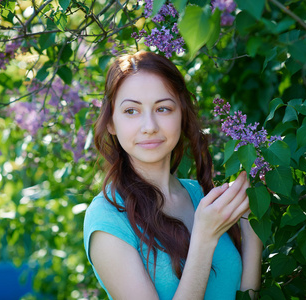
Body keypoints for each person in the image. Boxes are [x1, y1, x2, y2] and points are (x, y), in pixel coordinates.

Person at [83, 51, 262, 299]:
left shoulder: (202, 197)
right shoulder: (108, 218)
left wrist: (250, 222)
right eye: (131, 111)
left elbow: (246, 296)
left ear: (181, 115)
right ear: (111, 122)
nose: (149, 127)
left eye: (163, 109)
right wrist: (204, 239)